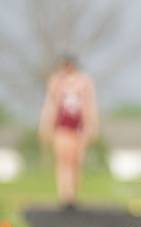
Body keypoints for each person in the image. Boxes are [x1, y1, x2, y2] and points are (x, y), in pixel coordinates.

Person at [37, 54, 98, 210]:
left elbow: (89, 105)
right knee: (63, 161)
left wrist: (92, 126)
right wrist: (45, 126)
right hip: (62, 128)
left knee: (76, 162)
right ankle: (65, 196)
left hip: (79, 128)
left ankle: (73, 193)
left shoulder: (84, 82)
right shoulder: (56, 82)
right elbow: (50, 104)